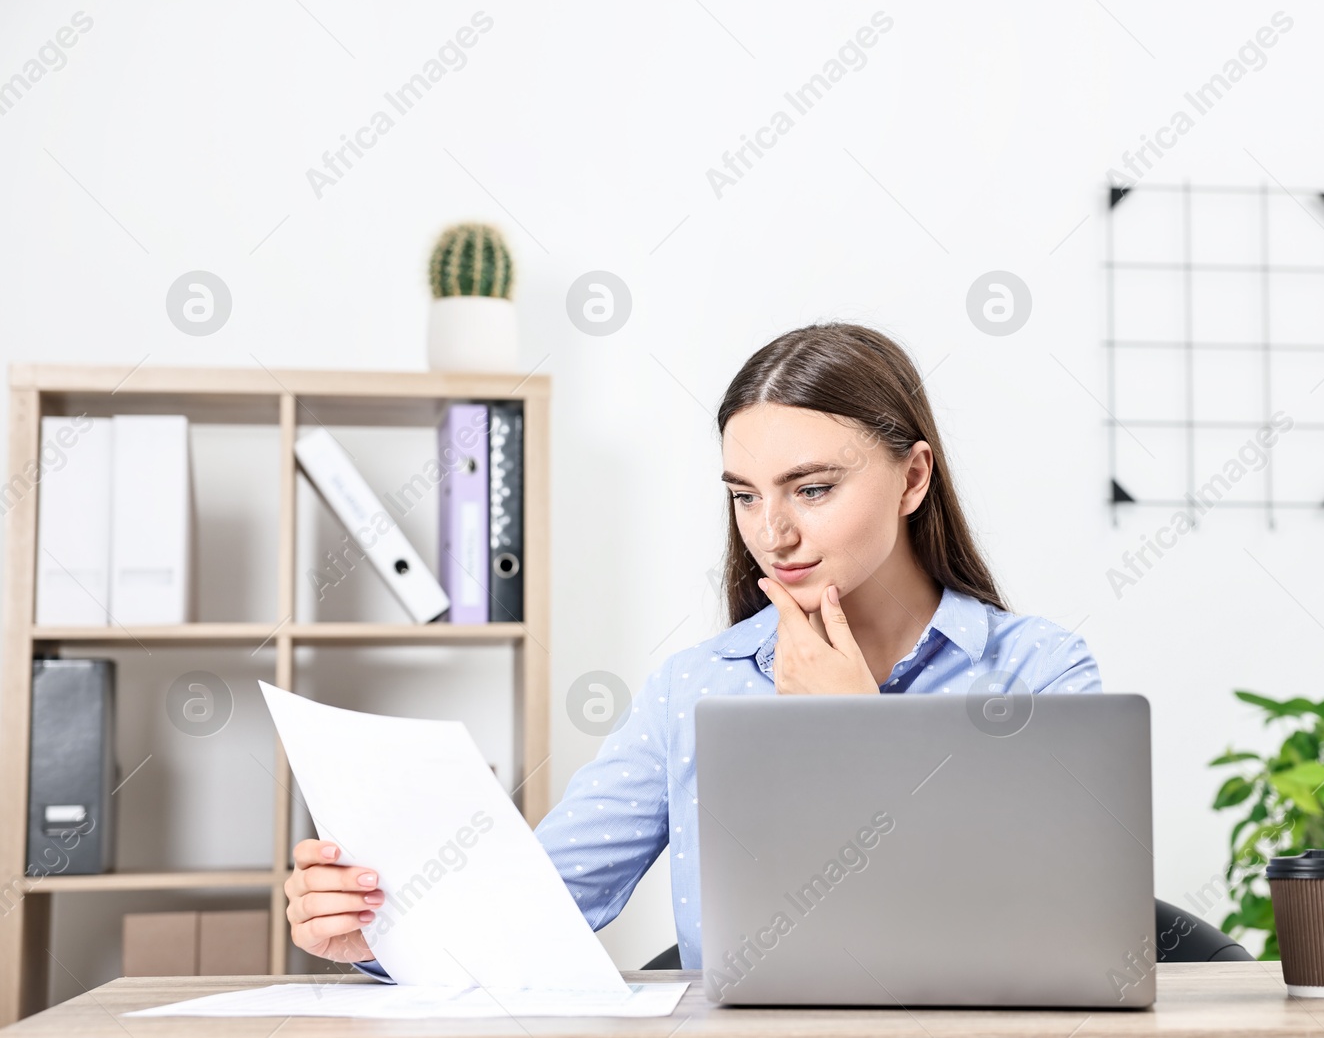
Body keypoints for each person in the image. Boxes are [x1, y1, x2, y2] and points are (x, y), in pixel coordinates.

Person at [284, 322, 1103, 977]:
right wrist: (381, 932)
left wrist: (857, 735)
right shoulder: (695, 687)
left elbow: (1057, 931)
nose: (772, 533)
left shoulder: (1040, 674)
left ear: (913, 477)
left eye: (812, 489)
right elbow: (534, 905)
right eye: (746, 496)